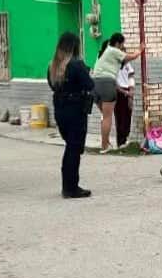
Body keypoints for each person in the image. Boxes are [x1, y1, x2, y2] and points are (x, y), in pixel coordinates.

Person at [48, 32, 94, 199]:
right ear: (75, 47)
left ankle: (68, 185)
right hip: (75, 110)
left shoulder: (52, 66)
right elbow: (89, 84)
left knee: (70, 147)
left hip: (60, 110)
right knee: (74, 149)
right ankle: (70, 187)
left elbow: (53, 86)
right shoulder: (76, 64)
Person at [91, 32, 143, 154]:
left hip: (95, 85)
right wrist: (140, 50)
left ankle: (106, 143)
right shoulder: (113, 50)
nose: (123, 47)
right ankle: (105, 146)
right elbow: (131, 57)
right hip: (106, 84)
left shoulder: (104, 54)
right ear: (118, 43)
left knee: (104, 116)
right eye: (122, 44)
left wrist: (127, 91)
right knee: (108, 117)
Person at [115, 55, 136, 148]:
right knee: (120, 116)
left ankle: (125, 138)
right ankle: (120, 141)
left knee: (128, 114)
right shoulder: (114, 64)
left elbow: (131, 76)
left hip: (128, 90)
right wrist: (124, 92)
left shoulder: (127, 64)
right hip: (119, 91)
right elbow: (114, 81)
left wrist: (131, 91)